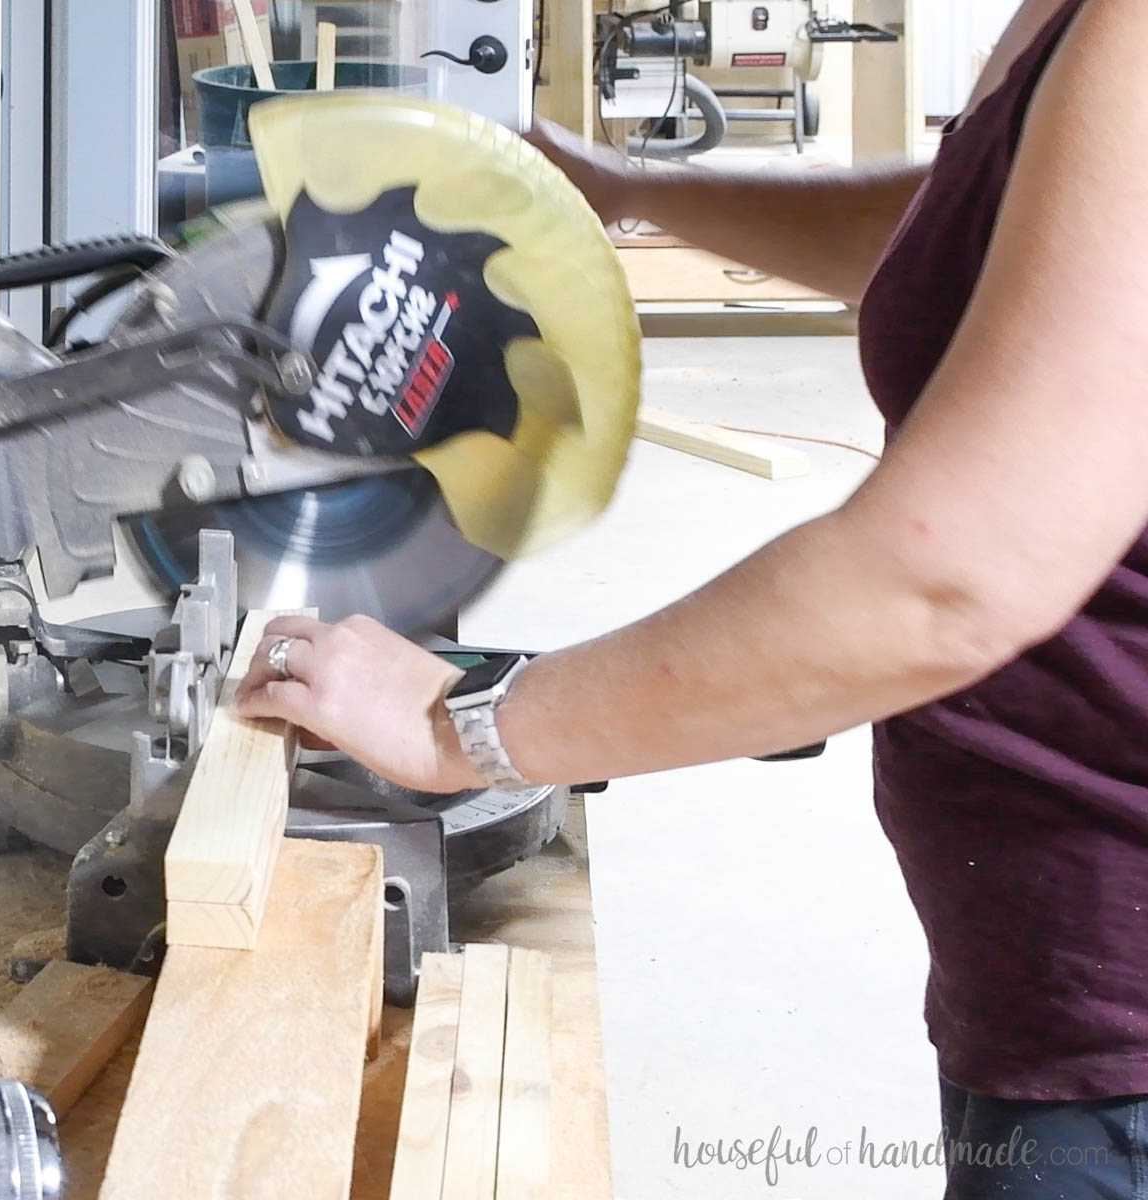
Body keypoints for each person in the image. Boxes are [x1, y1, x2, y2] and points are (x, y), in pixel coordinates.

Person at [237, 1, 1148, 1194]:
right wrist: (616, 190)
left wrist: (465, 728)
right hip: (1053, 970)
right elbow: (988, 235)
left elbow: (951, 575)